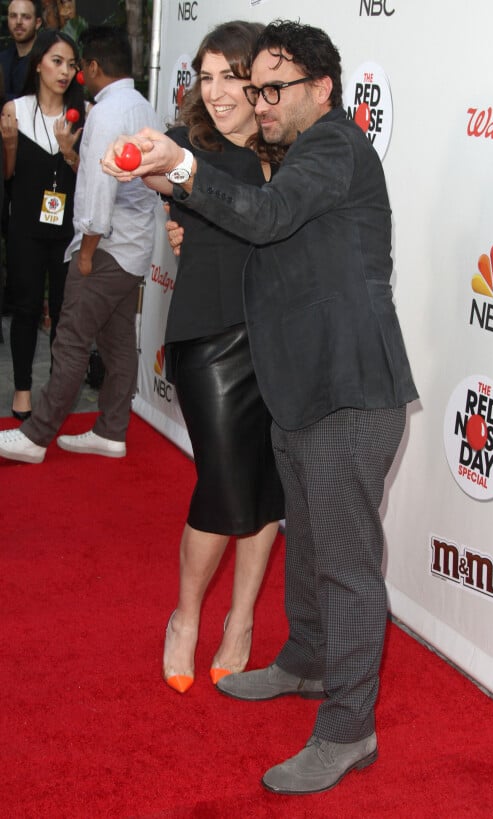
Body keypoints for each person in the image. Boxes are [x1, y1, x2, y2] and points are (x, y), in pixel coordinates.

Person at [102, 19, 418, 796]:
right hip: (302, 388)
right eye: (257, 86)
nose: (259, 100)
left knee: (344, 566)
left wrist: (182, 165)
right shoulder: (294, 158)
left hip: (348, 391)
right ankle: (307, 660)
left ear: (323, 90)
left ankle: (349, 729)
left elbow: (270, 219)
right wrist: (183, 194)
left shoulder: (335, 149)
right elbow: (258, 226)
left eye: (275, 88)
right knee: (307, 540)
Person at [155, 21, 285, 694]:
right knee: (224, 484)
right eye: (204, 79)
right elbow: (157, 169)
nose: (215, 93)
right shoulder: (185, 145)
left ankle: (240, 621)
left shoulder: (289, 149)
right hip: (208, 337)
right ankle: (185, 616)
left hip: (278, 338)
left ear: (258, 77)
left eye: (227, 77)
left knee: (267, 489)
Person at [0, 25, 157, 461]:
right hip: (134, 247)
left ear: (92, 67)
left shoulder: (105, 114)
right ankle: (110, 430)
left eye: (77, 64)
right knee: (118, 342)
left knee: (70, 339)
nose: (73, 72)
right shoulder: (143, 106)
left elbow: (99, 192)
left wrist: (86, 251)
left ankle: (35, 435)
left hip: (105, 247)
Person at [0, 28, 85, 420]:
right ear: (38, 64)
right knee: (27, 308)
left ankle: (57, 389)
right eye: (57, 61)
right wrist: (12, 144)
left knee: (66, 312)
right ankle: (21, 389)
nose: (64, 71)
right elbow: (8, 175)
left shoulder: (84, 115)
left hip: (67, 231)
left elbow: (92, 181)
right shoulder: (14, 110)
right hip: (25, 229)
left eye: (71, 64)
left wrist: (71, 154)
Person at [0, 0, 43, 101]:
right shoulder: (2, 58)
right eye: (13, 16)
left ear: (38, 23)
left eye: (26, 17)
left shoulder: (45, 60)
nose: (18, 22)